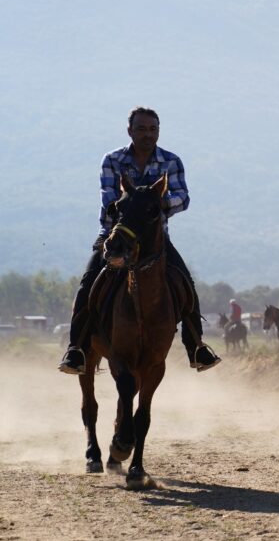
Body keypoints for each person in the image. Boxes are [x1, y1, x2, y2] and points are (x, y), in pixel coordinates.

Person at [58, 107, 220, 375]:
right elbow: (110, 201)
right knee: (87, 285)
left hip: (156, 239)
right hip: (115, 236)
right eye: (142, 129)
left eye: (153, 129)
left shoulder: (171, 161)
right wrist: (140, 205)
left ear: (158, 131)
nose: (148, 134)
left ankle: (196, 347)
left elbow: (183, 198)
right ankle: (76, 349)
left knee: (186, 285)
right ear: (130, 131)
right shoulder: (113, 160)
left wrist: (155, 204)